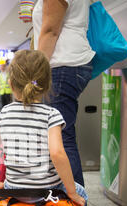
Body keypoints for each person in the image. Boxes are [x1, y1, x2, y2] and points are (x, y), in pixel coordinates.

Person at [0, 50, 87, 206]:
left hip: (14, 188)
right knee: (82, 193)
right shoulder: (51, 115)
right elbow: (57, 153)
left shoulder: (3, 113)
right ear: (47, 85)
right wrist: (72, 192)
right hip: (47, 189)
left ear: (11, 84)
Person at [33, 0, 95, 187]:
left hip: (61, 65)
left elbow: (50, 31)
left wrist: (35, 76)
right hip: (69, 65)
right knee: (62, 136)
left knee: (61, 139)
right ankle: (69, 203)